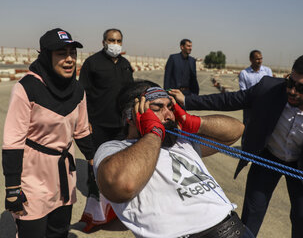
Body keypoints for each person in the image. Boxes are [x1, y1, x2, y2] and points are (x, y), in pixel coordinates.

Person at [170, 53, 303, 238]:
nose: (293, 91)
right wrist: (187, 100)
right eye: (291, 82)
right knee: (252, 214)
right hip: (268, 158)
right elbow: (231, 100)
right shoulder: (269, 88)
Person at [93, 80, 255, 238]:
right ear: (131, 115)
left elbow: (235, 130)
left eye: (170, 107)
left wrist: (196, 122)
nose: (169, 115)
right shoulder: (114, 149)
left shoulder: (181, 141)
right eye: (158, 108)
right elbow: (122, 185)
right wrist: (153, 133)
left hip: (234, 229)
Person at [2, 28, 94, 238]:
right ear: (45, 56)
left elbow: (81, 130)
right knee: (32, 232)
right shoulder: (26, 88)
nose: (70, 59)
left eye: (72, 53)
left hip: (64, 177)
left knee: (59, 231)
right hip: (33, 177)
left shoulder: (78, 90)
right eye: (61, 53)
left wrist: (93, 163)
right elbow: (13, 141)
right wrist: (13, 187)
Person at [79, 28, 134, 231]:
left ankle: (116, 205)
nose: (115, 44)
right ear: (104, 42)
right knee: (96, 167)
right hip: (97, 125)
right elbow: (81, 94)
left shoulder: (126, 65)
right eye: (111, 40)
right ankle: (95, 209)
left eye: (118, 40)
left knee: (120, 166)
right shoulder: (92, 64)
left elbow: (131, 94)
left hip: (120, 126)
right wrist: (85, 121)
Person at [239, 50, 273, 125]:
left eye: (261, 58)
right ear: (251, 60)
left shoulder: (267, 71)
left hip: (264, 105)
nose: (260, 61)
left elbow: (271, 87)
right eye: (257, 59)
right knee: (247, 129)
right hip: (249, 106)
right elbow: (243, 91)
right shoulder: (244, 73)